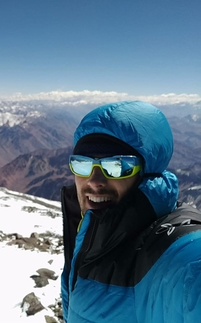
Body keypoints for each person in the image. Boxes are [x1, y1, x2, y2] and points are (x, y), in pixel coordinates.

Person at [60, 100, 201, 323]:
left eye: (117, 166)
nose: (94, 181)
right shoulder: (88, 237)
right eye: (83, 164)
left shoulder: (176, 257)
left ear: (147, 173)